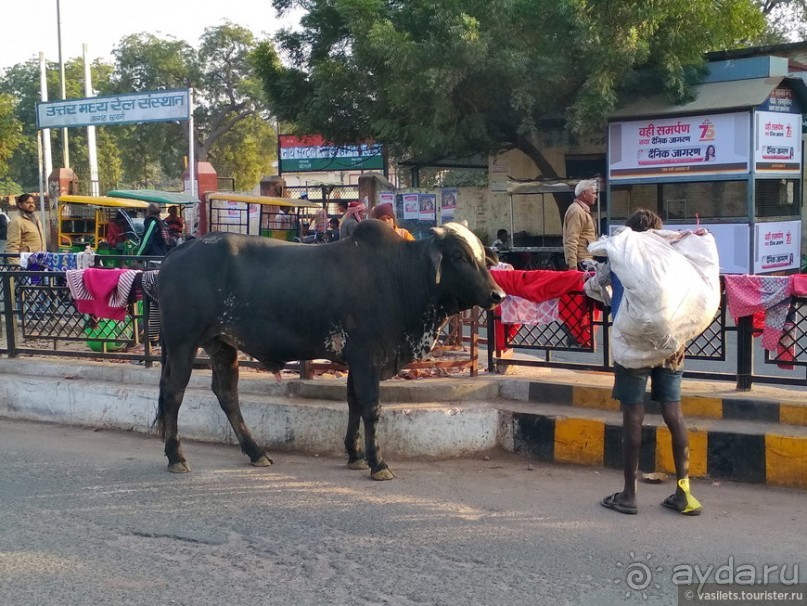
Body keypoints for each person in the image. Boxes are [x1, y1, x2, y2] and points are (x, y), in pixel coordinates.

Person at [591, 209, 702, 517]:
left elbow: (599, 284)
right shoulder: (673, 258)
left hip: (633, 342)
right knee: (674, 413)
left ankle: (629, 495)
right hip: (671, 343)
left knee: (633, 416)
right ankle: (684, 493)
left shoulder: (619, 254)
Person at [562, 179, 598, 270]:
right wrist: (573, 266)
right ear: (584, 194)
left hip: (585, 259)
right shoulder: (577, 211)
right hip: (581, 261)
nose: (596, 196)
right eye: (593, 193)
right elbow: (571, 240)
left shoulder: (582, 210)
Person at [6, 193, 45, 264]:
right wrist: (16, 265)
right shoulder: (16, 221)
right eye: (28, 202)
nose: (31, 205)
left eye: (32, 202)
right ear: (20, 205)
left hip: (39, 261)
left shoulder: (36, 218)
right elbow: (12, 245)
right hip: (26, 263)